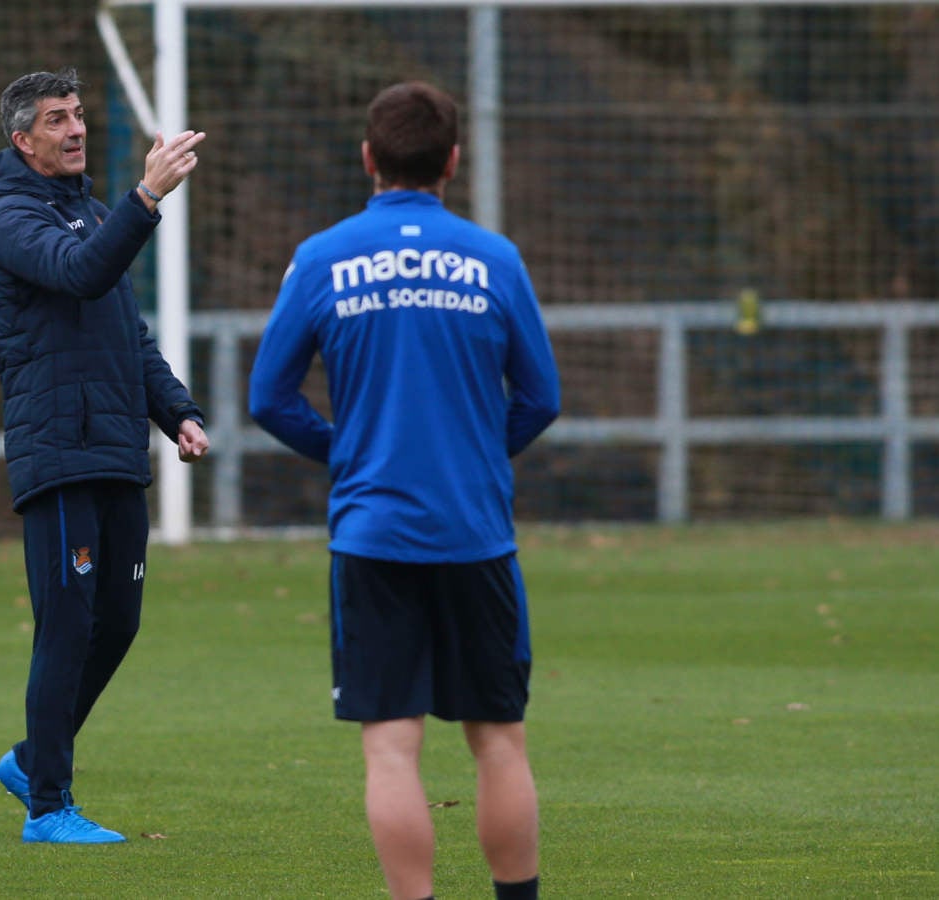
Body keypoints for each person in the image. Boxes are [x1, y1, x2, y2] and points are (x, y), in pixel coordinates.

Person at [248, 81, 559, 899]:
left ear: (368, 157)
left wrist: (346, 454)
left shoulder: (323, 257)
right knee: (499, 741)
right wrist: (476, 458)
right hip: (474, 531)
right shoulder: (495, 258)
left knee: (391, 744)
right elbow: (542, 396)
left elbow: (268, 398)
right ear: (453, 161)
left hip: (373, 532)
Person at [0, 67, 210, 845]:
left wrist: (178, 413)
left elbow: (126, 337)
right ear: (22, 140)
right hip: (58, 451)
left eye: (77, 114)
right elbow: (79, 273)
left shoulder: (93, 216)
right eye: (56, 120)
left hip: (112, 449)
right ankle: (48, 807)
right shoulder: (8, 217)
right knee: (66, 629)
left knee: (119, 623)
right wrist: (147, 200)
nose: (74, 129)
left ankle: (35, 757)